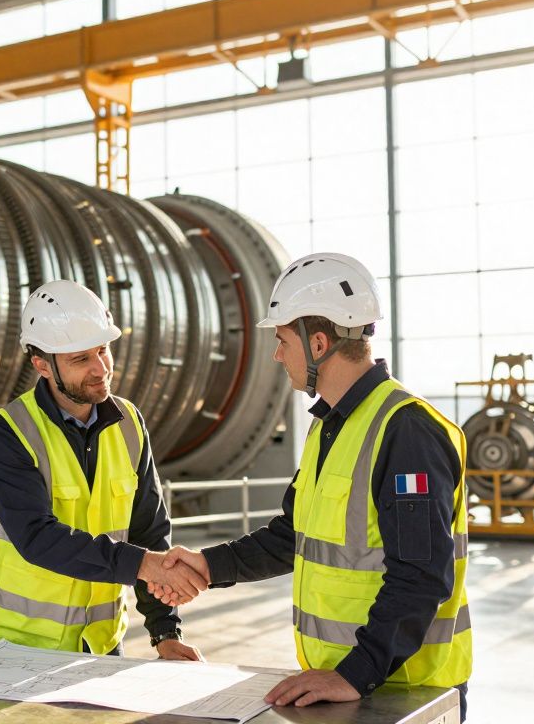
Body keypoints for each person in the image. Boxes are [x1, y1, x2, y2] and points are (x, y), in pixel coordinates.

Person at [149, 253, 472, 719]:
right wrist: (207, 564)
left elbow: (420, 575)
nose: (277, 354)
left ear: (318, 342)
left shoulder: (407, 431)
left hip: (404, 690)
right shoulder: (330, 427)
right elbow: (293, 535)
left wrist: (354, 673)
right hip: (349, 687)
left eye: (282, 340)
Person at [0, 280, 207, 660]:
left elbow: (148, 530)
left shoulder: (129, 422)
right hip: (11, 645)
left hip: (101, 646)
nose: (101, 369)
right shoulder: (5, 433)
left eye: (103, 350)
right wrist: (145, 565)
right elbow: (39, 538)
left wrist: (165, 632)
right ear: (42, 365)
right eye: (81, 359)